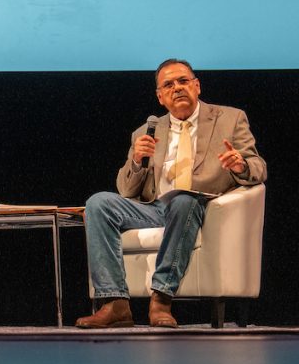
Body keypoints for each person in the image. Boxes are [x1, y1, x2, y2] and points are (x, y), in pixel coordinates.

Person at [76, 58, 267, 329]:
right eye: (168, 84)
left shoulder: (230, 118)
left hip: (201, 206)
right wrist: (136, 162)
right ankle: (116, 303)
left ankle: (162, 298)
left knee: (183, 200)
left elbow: (259, 168)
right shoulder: (146, 132)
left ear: (197, 86)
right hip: (154, 208)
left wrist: (241, 165)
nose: (177, 88)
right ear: (160, 97)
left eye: (183, 81)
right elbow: (126, 190)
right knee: (98, 203)